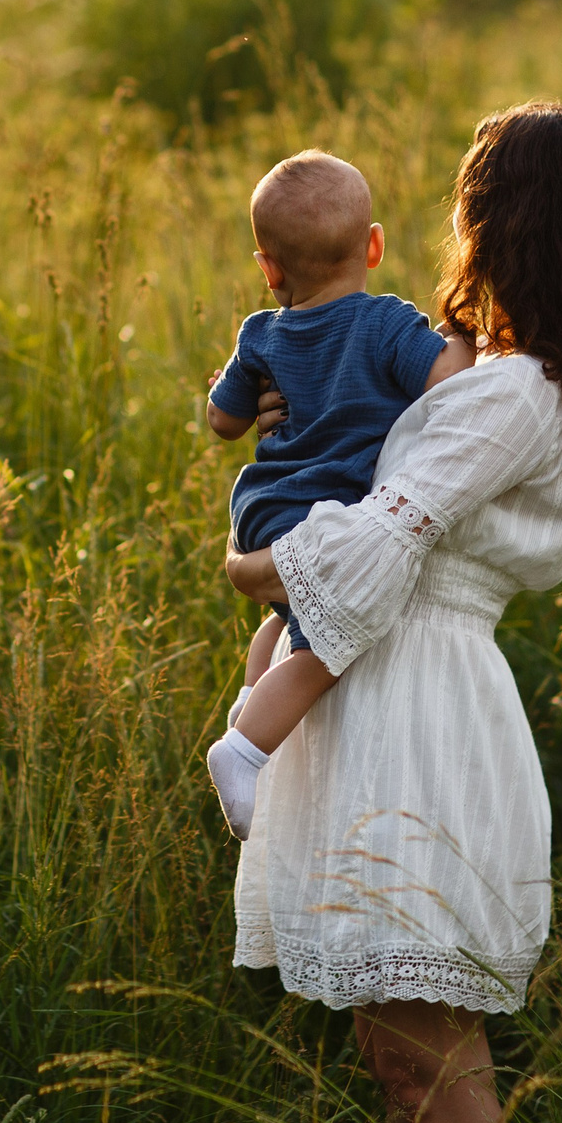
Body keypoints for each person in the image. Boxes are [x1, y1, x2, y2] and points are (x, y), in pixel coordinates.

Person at [221, 102, 562, 1123]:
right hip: (395, 697)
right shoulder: (503, 376)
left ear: (507, 223)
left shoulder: (516, 397)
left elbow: (385, 533)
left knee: (431, 1075)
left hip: (416, 715)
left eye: (471, 209)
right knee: (406, 1066)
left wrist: (248, 567)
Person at [200, 150, 473, 839]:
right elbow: (447, 380)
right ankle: (244, 749)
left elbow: (223, 420)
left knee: (283, 616)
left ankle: (248, 700)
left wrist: (232, 387)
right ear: (373, 244)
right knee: (325, 642)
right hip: (318, 512)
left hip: (259, 505)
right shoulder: (386, 323)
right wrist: (464, 334)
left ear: (269, 268)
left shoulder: (258, 332)